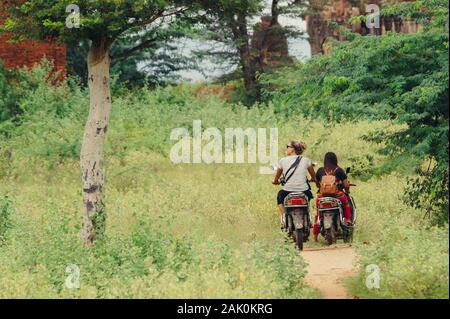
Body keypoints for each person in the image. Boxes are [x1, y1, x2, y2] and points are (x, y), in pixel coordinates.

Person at [272, 141, 317, 227]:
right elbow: (313, 177)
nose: (286, 148)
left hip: (288, 191)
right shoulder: (306, 160)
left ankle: (283, 217)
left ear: (293, 149)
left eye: (287, 146)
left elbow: (276, 178)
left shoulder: (282, 161)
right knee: (309, 196)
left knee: (280, 196)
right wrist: (312, 180)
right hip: (303, 190)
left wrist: (275, 182)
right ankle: (308, 216)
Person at [313, 152, 352, 239]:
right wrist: (347, 191)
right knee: (346, 204)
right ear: (335, 160)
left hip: (322, 197)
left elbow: (317, 184)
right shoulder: (339, 170)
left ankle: (315, 234)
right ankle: (347, 220)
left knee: (318, 213)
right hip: (336, 196)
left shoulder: (320, 170)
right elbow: (346, 184)